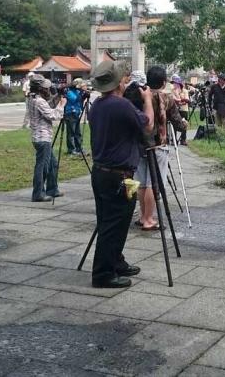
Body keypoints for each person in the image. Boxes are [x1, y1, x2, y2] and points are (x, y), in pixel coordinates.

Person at [88, 60, 154, 288]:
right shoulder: (121, 105)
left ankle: (116, 261)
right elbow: (148, 126)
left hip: (102, 173)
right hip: (119, 175)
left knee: (114, 220)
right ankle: (103, 274)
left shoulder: (97, 104)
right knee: (113, 224)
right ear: (118, 83)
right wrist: (147, 100)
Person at [135, 66, 188, 230]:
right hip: (158, 144)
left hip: (140, 144)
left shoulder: (140, 96)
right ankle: (149, 219)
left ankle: (143, 216)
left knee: (142, 183)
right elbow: (178, 123)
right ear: (164, 82)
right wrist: (184, 125)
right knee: (153, 183)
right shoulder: (167, 98)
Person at [28, 78, 66, 202]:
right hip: (42, 138)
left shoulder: (33, 98)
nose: (48, 89)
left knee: (52, 164)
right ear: (40, 88)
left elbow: (48, 106)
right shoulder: (39, 101)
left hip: (40, 137)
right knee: (42, 166)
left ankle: (52, 189)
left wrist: (57, 97)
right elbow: (53, 115)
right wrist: (61, 105)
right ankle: (38, 193)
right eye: (46, 87)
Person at [64, 78, 87, 155]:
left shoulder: (77, 91)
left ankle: (78, 148)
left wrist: (84, 96)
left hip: (76, 113)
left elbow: (80, 101)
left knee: (77, 132)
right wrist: (81, 93)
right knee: (71, 132)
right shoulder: (69, 92)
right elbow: (74, 100)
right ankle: (71, 149)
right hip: (70, 113)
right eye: (81, 85)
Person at [171, 76, 190, 145]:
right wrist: (180, 99)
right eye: (173, 83)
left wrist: (180, 100)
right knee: (174, 124)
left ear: (179, 84)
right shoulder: (173, 91)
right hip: (175, 109)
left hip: (184, 110)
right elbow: (173, 100)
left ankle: (183, 139)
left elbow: (187, 100)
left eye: (175, 83)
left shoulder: (184, 91)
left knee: (184, 123)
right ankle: (174, 139)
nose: (174, 85)